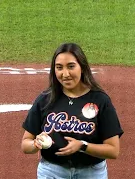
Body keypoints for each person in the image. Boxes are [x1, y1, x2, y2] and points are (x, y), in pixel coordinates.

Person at [21, 43, 124, 179]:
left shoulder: (100, 100)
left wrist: (83, 146)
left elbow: (113, 150)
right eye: (59, 68)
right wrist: (35, 143)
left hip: (91, 173)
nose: (65, 74)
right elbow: (25, 144)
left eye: (71, 66)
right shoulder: (45, 99)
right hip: (52, 172)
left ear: (82, 67)